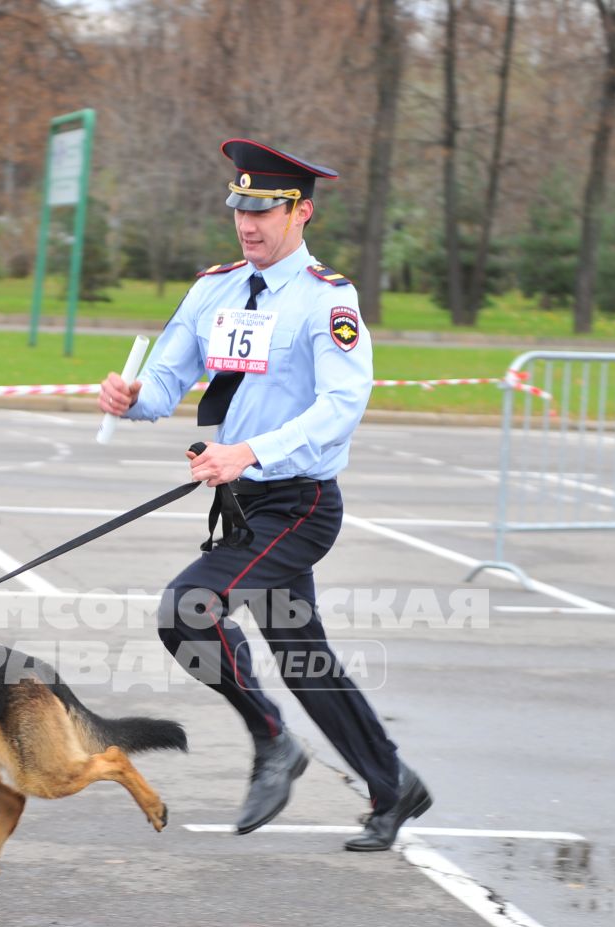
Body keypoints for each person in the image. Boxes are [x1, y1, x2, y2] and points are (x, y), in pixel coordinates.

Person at [96, 139, 433, 853]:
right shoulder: (214, 287)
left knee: (187, 611)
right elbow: (168, 380)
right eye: (239, 209)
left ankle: (273, 741)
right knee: (307, 660)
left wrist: (250, 450)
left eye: (264, 211)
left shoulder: (326, 300)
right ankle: (391, 782)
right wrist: (131, 397)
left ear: (301, 212)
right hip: (243, 502)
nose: (248, 224)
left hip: (299, 503)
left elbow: (342, 403)